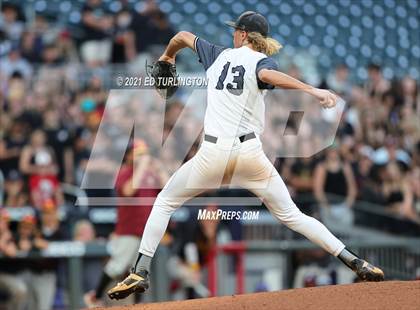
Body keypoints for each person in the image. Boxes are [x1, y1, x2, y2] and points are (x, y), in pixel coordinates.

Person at [108, 11, 384, 300]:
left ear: (242, 33)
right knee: (292, 215)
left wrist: (167, 58)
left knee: (165, 201)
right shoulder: (262, 61)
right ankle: (354, 260)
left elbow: (181, 36)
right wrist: (311, 90)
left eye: (234, 31)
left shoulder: (217, 54)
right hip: (250, 155)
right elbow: (266, 74)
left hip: (212, 154)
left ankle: (140, 270)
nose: (232, 35)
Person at [84, 139, 168, 307]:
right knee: (117, 266)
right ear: (129, 156)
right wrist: (143, 167)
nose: (142, 158)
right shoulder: (125, 172)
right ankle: (94, 297)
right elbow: (129, 191)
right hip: (128, 230)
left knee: (139, 273)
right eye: (138, 154)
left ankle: (137, 306)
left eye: (144, 154)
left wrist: (158, 168)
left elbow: (168, 188)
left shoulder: (150, 174)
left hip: (146, 231)